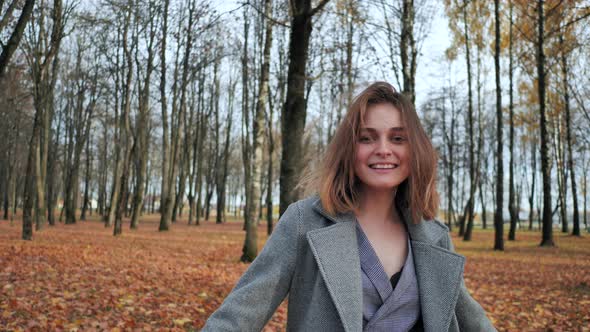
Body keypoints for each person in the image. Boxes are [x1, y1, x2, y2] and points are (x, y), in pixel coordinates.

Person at [202, 82, 495, 331]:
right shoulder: (306, 222)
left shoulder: (433, 235)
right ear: (349, 150)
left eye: (397, 138)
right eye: (367, 138)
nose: (383, 149)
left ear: (414, 150)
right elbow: (238, 315)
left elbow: (471, 319)